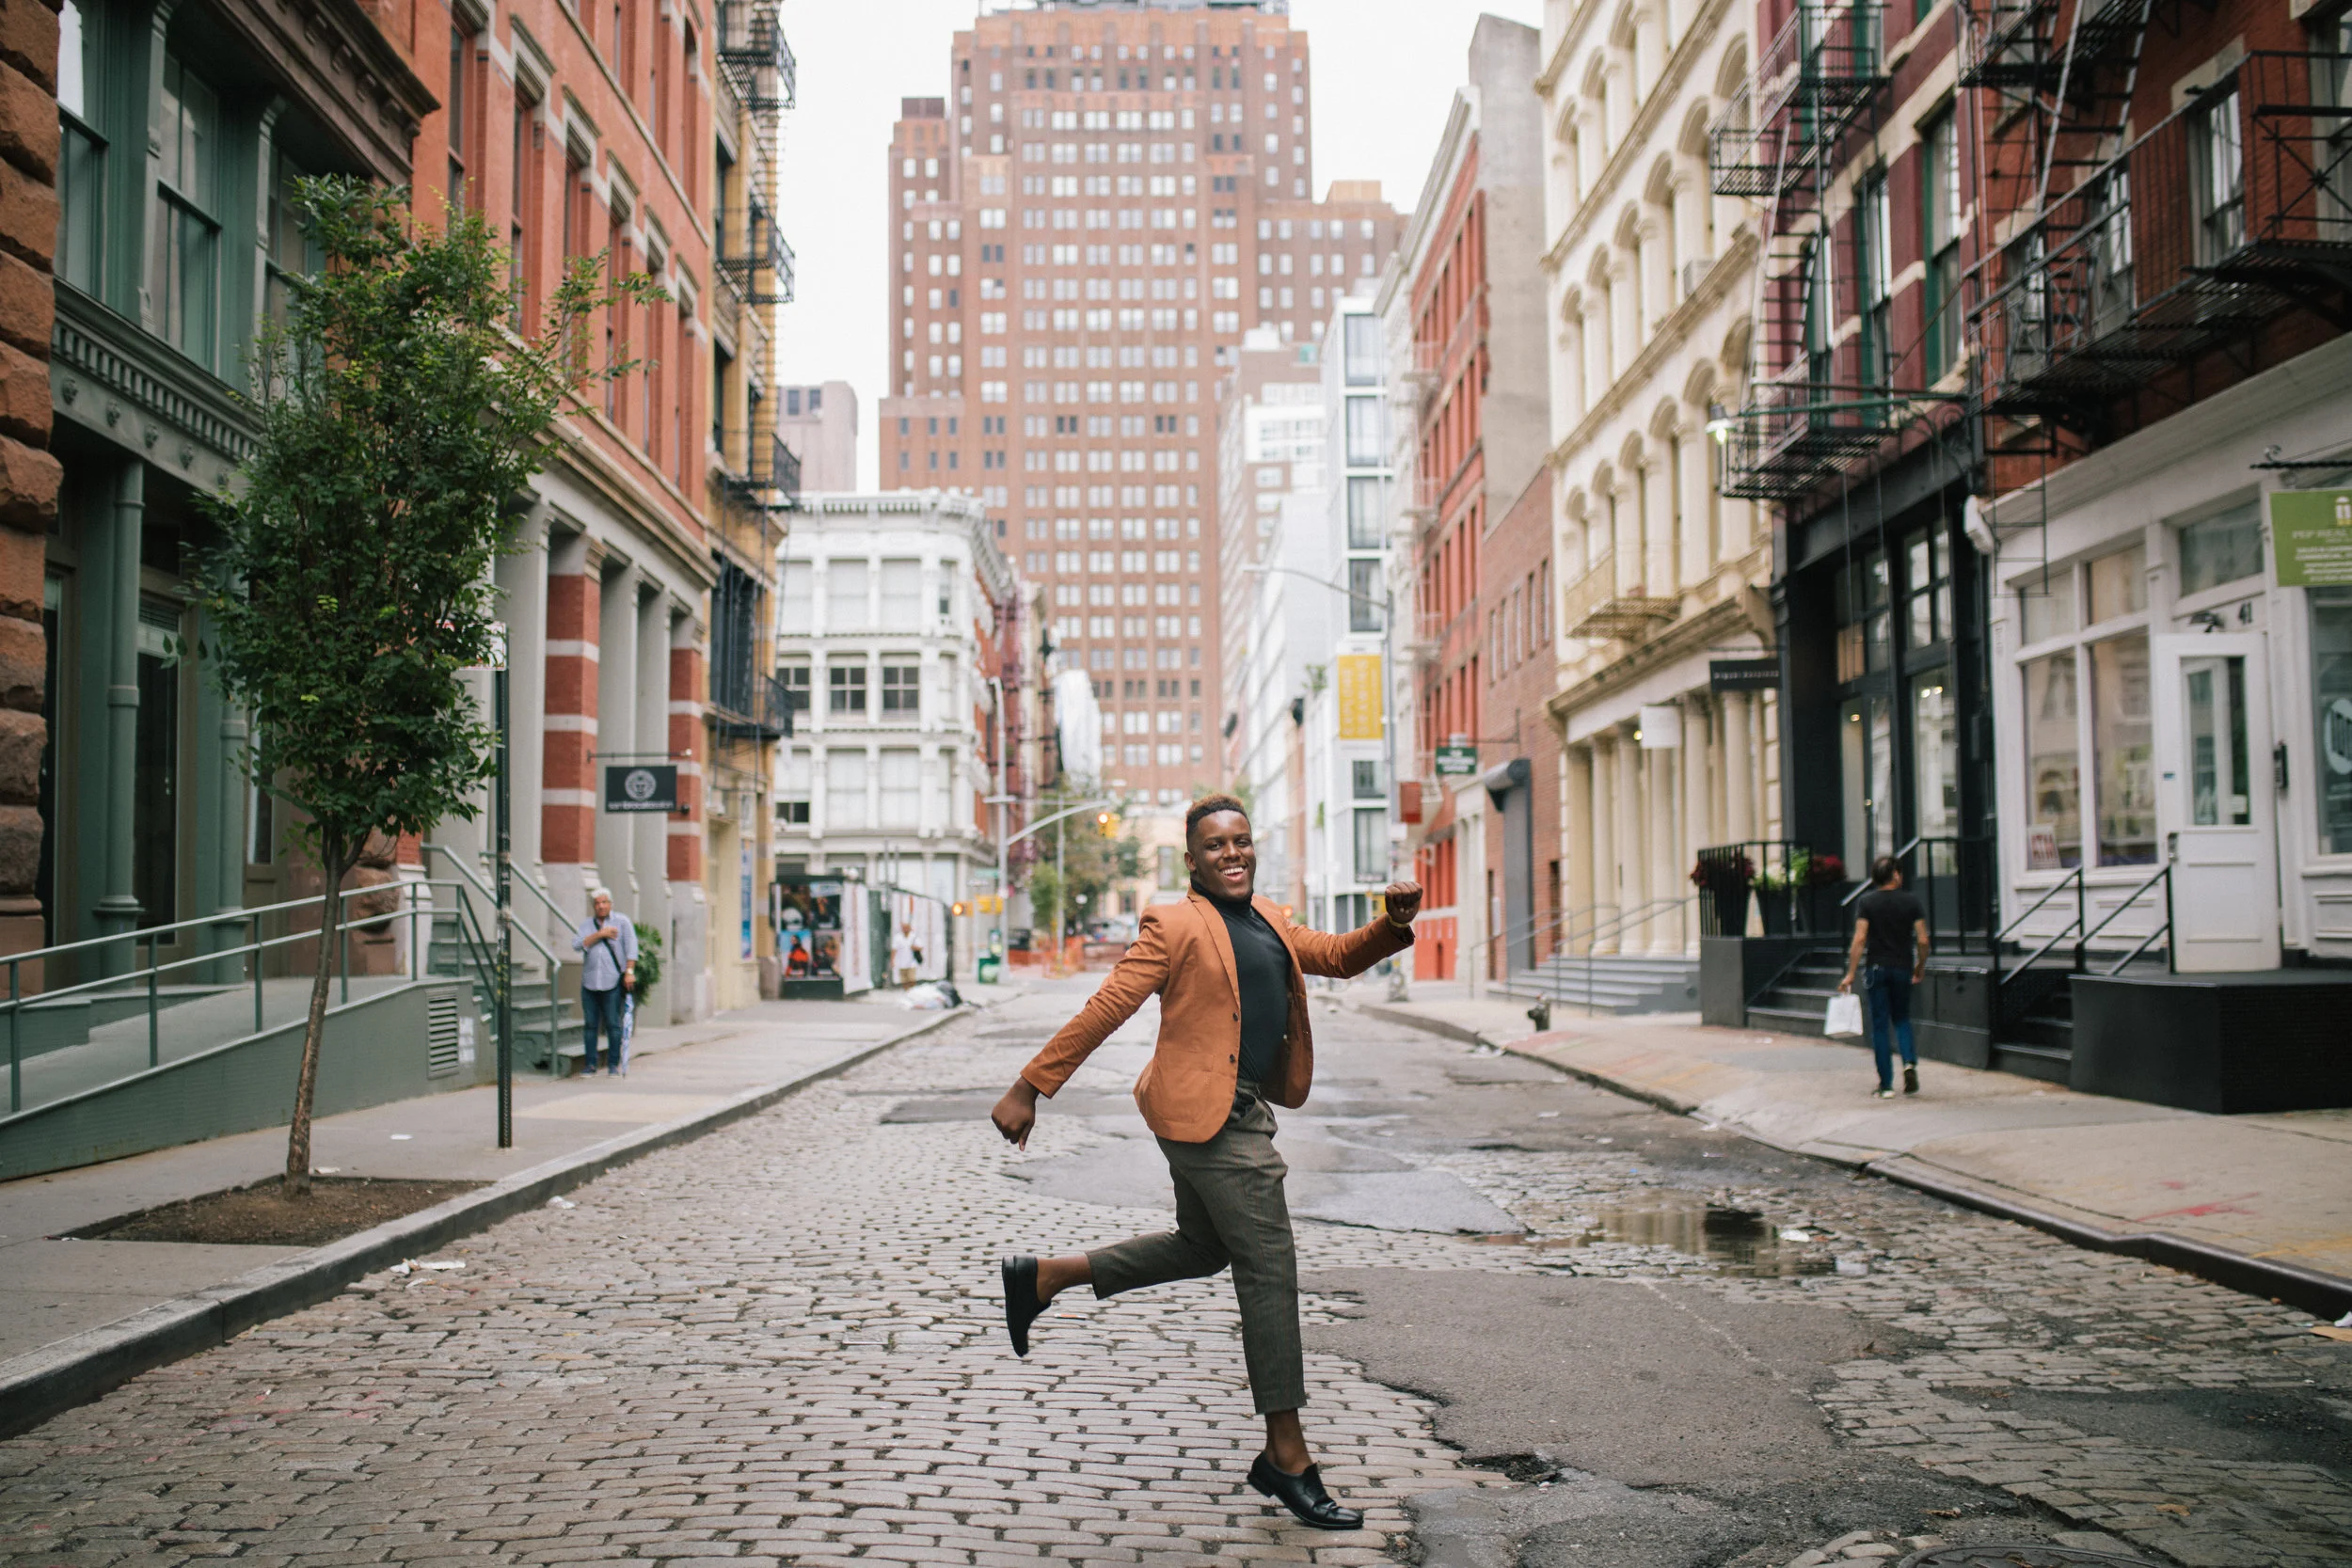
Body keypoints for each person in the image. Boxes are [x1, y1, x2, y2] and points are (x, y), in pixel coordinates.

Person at [989, 794, 1421, 1530]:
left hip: (1233, 1108)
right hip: (1211, 1118)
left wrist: (1394, 922)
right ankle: (1287, 1455)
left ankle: (1046, 1276)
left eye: (1242, 841)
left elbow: (1339, 957)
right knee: (1269, 1265)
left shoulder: (1273, 919)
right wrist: (1031, 1085)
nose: (1233, 853)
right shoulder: (1176, 921)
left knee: (1203, 1247)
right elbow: (1108, 1005)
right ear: (1192, 860)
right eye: (1216, 844)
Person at [1838, 855, 1929, 1098]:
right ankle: (1909, 1062)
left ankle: (1886, 1085)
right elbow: (1923, 939)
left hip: (1876, 968)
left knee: (1880, 1025)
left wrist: (1850, 973)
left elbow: (1859, 939)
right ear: (1896, 875)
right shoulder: (1912, 902)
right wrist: (1920, 965)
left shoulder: (1867, 902)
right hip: (1902, 968)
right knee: (1902, 1018)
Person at [571, 886, 637, 1077]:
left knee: (613, 1025)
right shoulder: (587, 925)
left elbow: (631, 948)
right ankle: (590, 1064)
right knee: (590, 1025)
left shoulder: (622, 922)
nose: (601, 906)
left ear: (610, 904)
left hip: (613, 981)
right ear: (594, 906)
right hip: (590, 981)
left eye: (604, 903)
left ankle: (612, 1065)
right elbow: (577, 944)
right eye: (597, 903)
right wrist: (600, 935)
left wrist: (629, 972)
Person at [891, 921, 921, 989]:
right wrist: (892, 960)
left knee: (911, 978)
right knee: (904, 979)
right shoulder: (898, 937)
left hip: (912, 962)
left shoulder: (914, 936)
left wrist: (914, 948)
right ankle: (907, 991)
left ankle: (912, 990)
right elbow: (894, 949)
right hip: (901, 962)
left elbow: (920, 947)